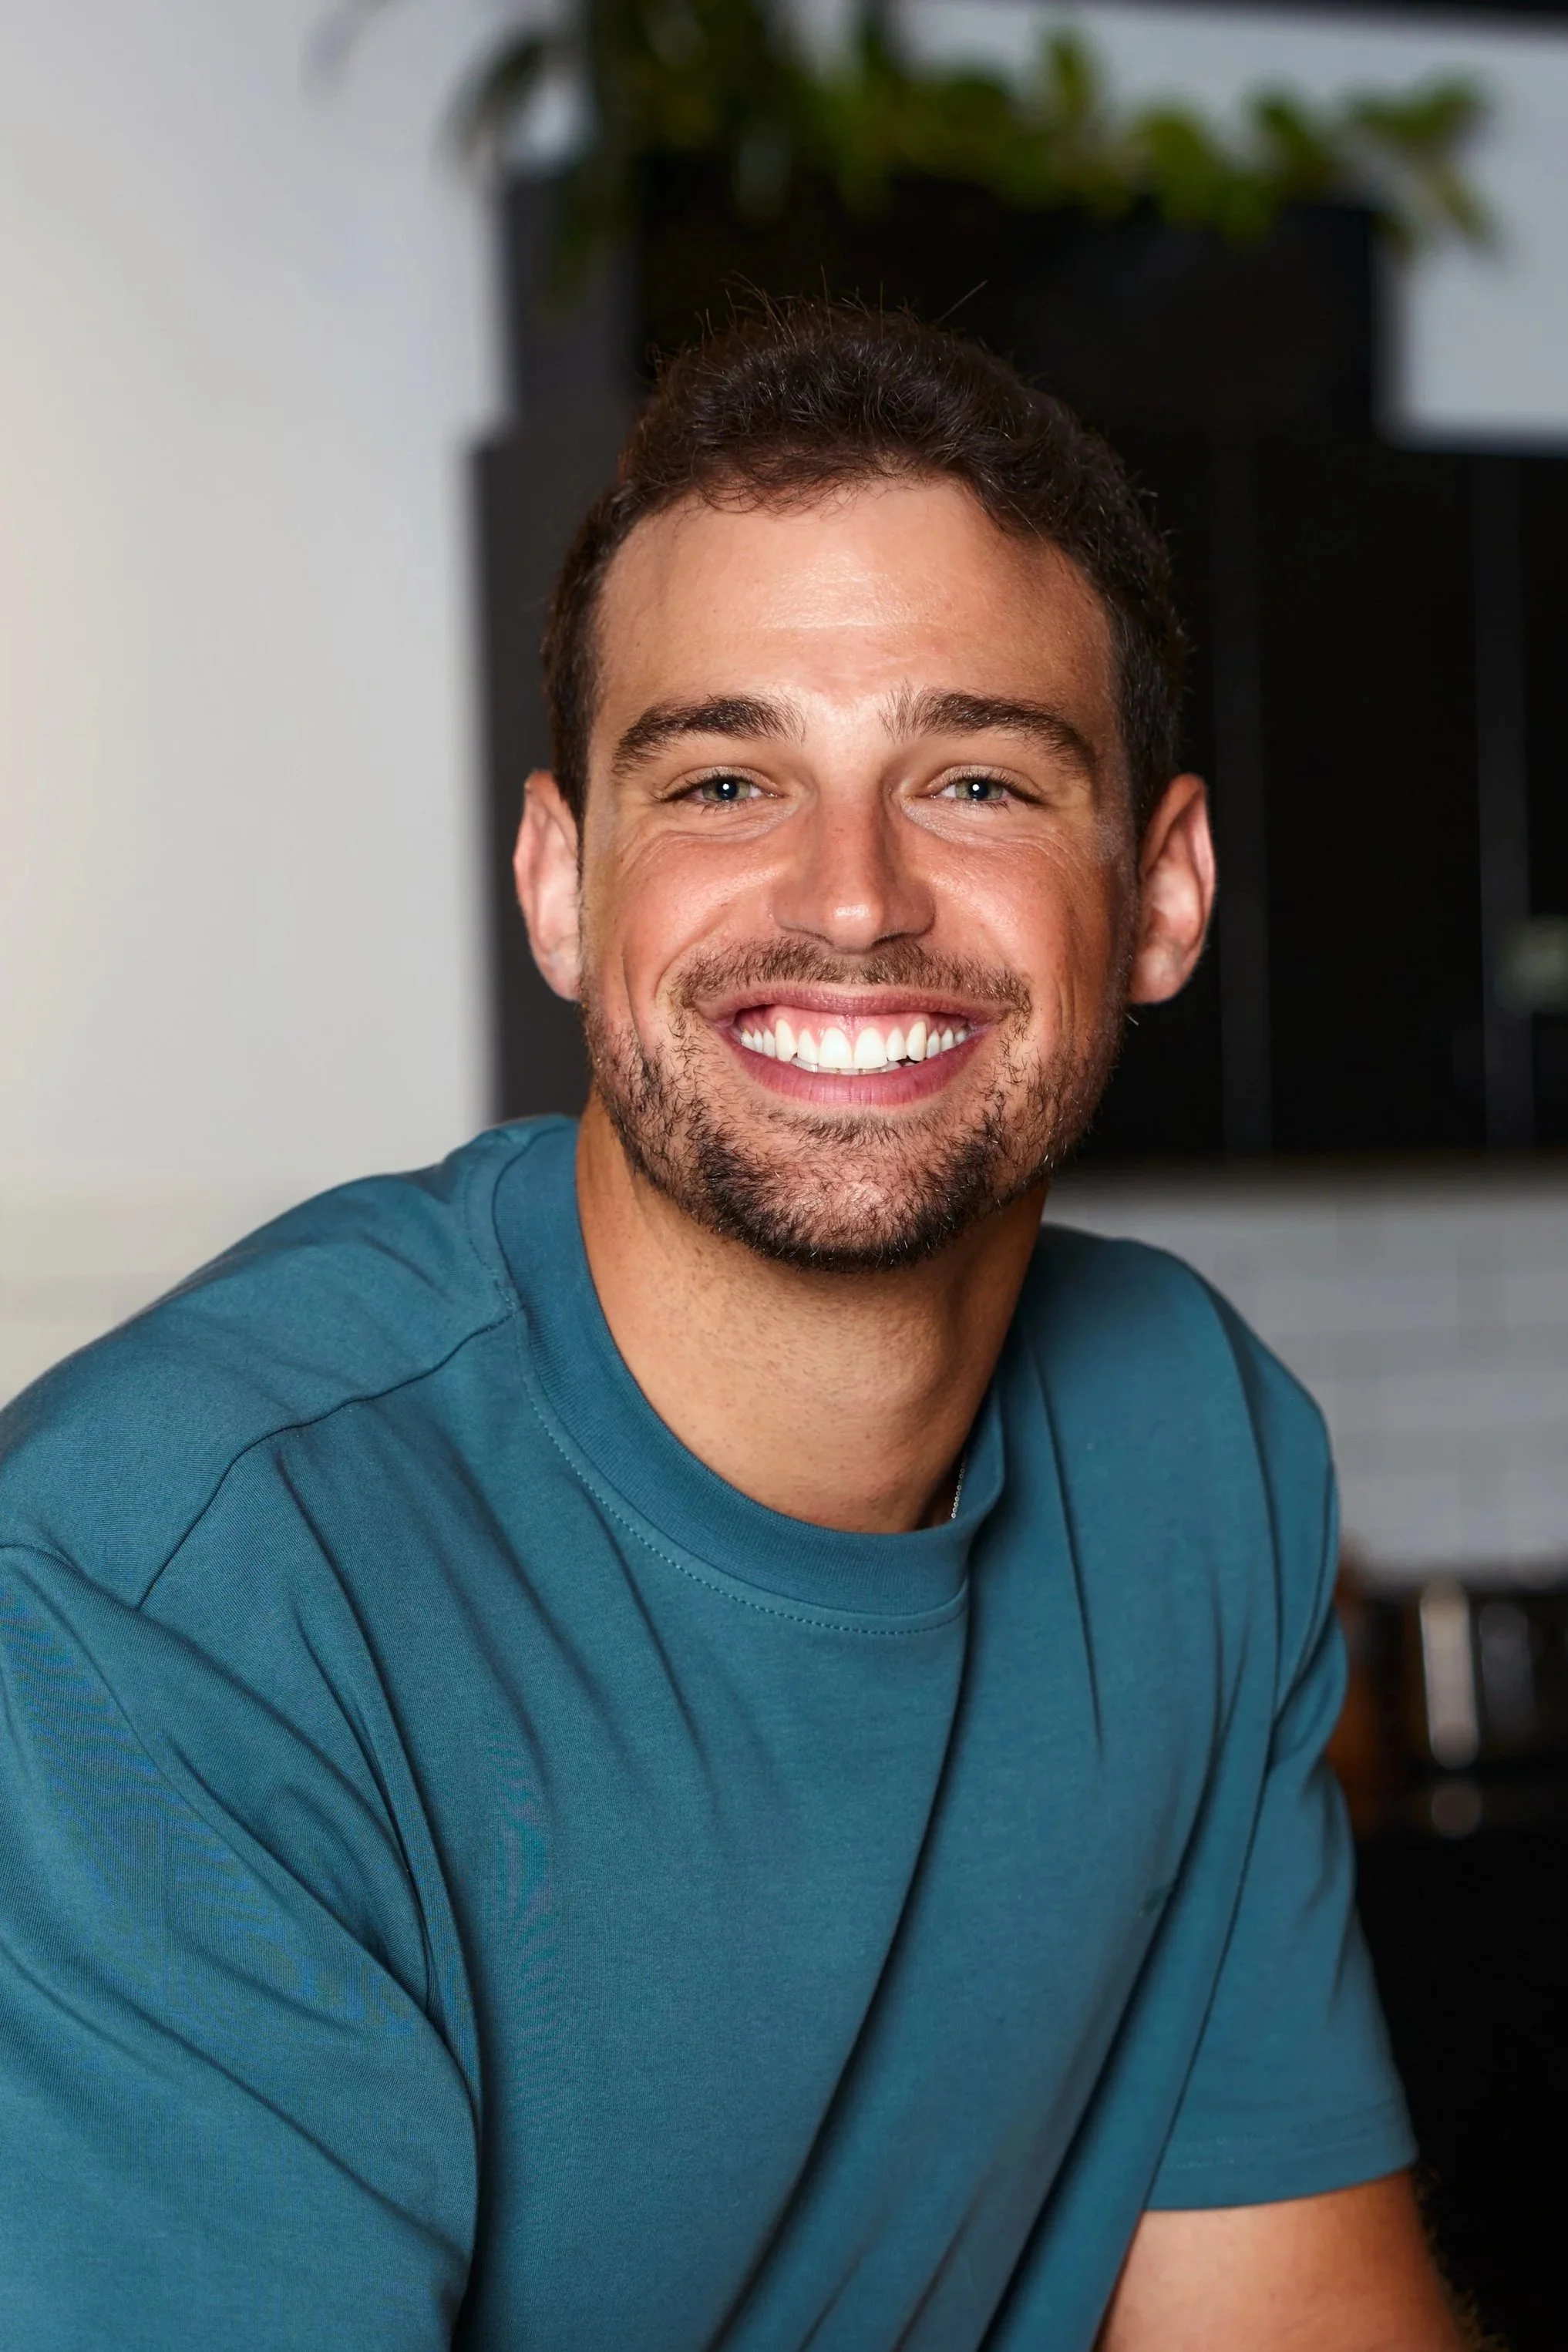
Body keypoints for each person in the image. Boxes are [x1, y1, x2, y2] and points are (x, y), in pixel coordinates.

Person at [0, 303, 1464, 2352]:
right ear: (561, 884)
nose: (850, 898)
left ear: (1161, 894)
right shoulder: (156, 1605)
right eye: (722, 780)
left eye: (976, 779)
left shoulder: (1194, 1449)